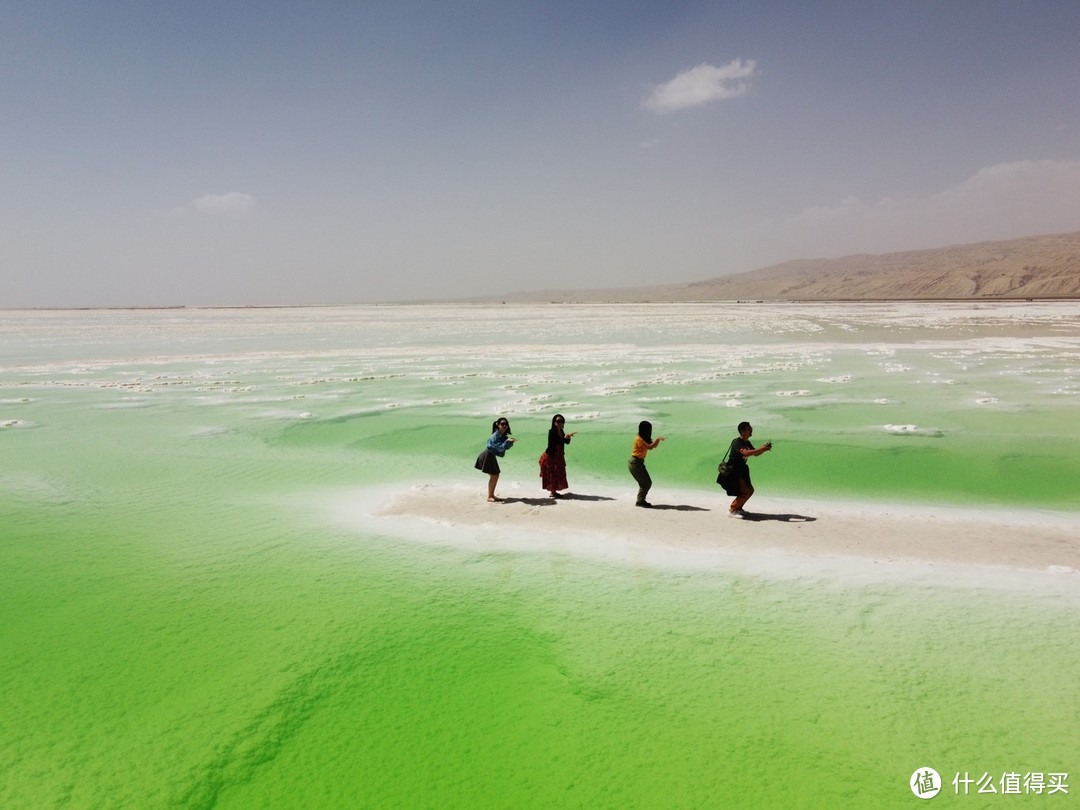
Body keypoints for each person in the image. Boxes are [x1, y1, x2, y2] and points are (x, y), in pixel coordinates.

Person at [726, 421, 772, 518]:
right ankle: (732, 510)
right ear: (742, 431)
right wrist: (761, 448)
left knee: (750, 490)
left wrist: (764, 449)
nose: (751, 430)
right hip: (734, 470)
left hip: (742, 469)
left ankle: (738, 508)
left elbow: (755, 453)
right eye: (749, 428)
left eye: (750, 428)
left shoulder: (747, 442)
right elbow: (746, 453)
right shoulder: (737, 442)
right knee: (746, 491)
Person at [475, 418, 516, 502]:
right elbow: (497, 448)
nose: (504, 426)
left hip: (490, 455)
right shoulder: (495, 436)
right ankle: (490, 496)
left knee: (495, 475)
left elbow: (505, 448)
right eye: (502, 424)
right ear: (497, 425)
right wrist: (506, 442)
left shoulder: (503, 436)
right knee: (495, 475)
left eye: (506, 424)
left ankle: (491, 495)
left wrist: (510, 442)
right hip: (487, 454)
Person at [628, 420, 666, 507]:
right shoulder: (638, 438)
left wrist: (657, 441)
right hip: (635, 463)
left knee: (645, 483)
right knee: (646, 483)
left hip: (638, 462)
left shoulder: (643, 437)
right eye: (649, 429)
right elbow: (650, 447)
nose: (650, 431)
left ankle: (640, 500)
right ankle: (640, 501)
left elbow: (653, 445)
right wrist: (657, 439)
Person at [539, 413, 576, 498]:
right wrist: (564, 438)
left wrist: (568, 437)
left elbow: (566, 442)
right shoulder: (551, 432)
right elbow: (555, 442)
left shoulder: (561, 431)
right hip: (551, 456)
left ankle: (554, 492)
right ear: (554, 422)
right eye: (558, 421)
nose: (560, 423)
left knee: (557, 473)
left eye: (561, 421)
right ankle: (553, 492)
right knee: (552, 473)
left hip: (559, 455)